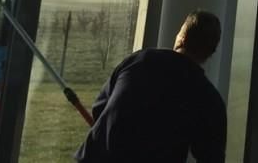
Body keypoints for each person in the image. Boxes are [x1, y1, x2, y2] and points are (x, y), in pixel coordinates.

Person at [74, 10, 227, 163]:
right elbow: (211, 157)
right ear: (211, 52)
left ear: (182, 38)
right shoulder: (210, 99)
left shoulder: (139, 60)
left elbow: (99, 108)